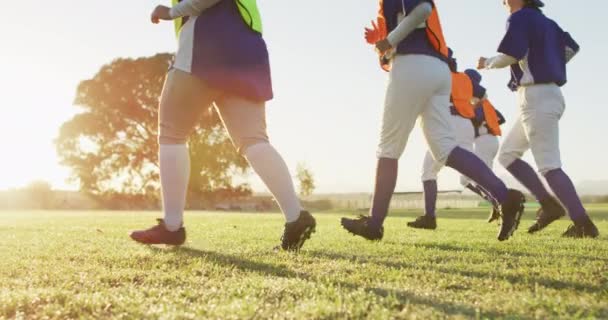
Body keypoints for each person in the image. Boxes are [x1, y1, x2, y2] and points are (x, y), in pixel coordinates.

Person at [129, 0, 316, 251]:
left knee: (172, 132)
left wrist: (171, 12)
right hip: (247, 51)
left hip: (205, 45)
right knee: (253, 139)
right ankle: (296, 217)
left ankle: (172, 226)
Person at [341, 0, 526, 242]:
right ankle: (505, 197)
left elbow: (423, 10)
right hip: (437, 70)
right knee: (445, 149)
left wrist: (390, 39)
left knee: (388, 148)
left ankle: (375, 223)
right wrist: (387, 41)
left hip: (413, 65)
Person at [478, 0, 599, 238]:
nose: (503, 2)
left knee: (549, 166)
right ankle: (549, 203)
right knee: (507, 155)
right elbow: (572, 48)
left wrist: (487, 63)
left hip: (537, 97)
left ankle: (583, 224)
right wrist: (549, 62)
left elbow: (510, 55)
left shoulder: (520, 17)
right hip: (546, 95)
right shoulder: (549, 23)